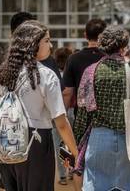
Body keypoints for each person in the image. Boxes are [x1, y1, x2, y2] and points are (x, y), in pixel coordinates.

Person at [0, 20, 78, 191]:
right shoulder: (45, 75)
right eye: (47, 40)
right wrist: (76, 153)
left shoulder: (6, 72)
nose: (51, 45)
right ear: (33, 44)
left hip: (5, 140)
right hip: (36, 142)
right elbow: (61, 124)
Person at [75, 26, 130, 190]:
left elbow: (83, 112)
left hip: (99, 138)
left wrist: (76, 141)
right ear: (124, 45)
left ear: (102, 45)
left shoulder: (91, 72)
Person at [62, 18, 106, 190]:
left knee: (77, 160)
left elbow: (67, 92)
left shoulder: (74, 59)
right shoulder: (109, 58)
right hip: (105, 118)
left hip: (81, 117)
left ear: (85, 35)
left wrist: (63, 116)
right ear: (104, 36)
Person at [52, 47, 73, 185]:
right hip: (71, 111)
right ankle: (71, 170)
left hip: (56, 113)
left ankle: (63, 177)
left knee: (58, 145)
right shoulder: (70, 74)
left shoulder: (54, 75)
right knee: (71, 143)